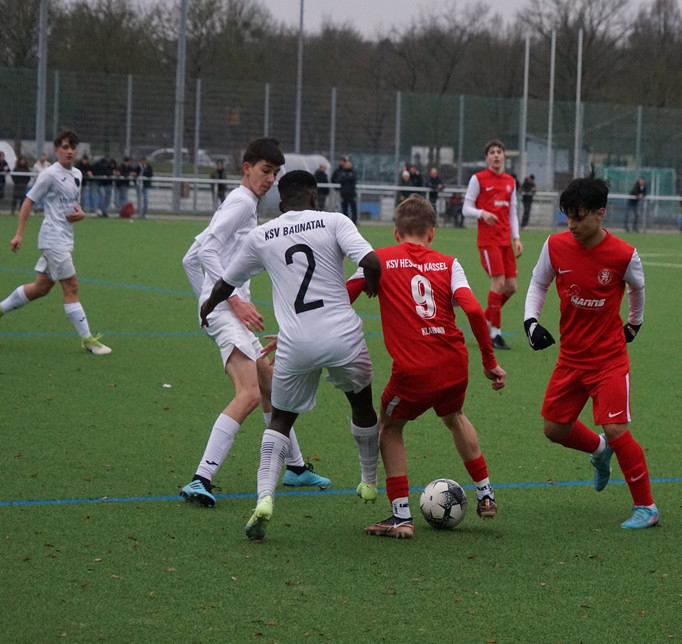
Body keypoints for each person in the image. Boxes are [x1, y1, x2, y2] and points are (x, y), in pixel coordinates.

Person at [199, 170, 382, 540]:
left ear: (281, 203)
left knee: (281, 420)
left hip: (295, 342)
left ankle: (265, 499)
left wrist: (208, 306)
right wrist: (374, 284)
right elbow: (372, 263)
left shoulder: (262, 235)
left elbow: (226, 283)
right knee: (361, 403)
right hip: (342, 336)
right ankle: (368, 481)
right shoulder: (335, 221)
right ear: (314, 197)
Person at [179, 138, 333, 508]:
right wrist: (227, 300)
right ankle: (200, 478)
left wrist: (206, 302)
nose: (270, 179)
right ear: (247, 168)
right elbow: (205, 251)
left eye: (275, 173)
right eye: (265, 171)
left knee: (271, 386)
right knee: (249, 393)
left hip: (224, 310)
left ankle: (295, 467)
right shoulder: (242, 202)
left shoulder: (240, 202)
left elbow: (190, 257)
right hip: (228, 312)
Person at [347, 196, 507, 539]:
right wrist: (489, 362)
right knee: (454, 416)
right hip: (454, 364)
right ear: (431, 233)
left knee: (389, 426)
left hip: (414, 370)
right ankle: (486, 494)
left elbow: (344, 295)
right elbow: (474, 311)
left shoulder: (378, 260)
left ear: (396, 232)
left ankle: (401, 516)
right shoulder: (450, 264)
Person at [522, 169, 658, 530]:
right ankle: (599, 450)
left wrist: (634, 323)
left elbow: (637, 288)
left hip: (609, 359)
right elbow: (538, 283)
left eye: (579, 217)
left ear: (600, 214)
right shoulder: (555, 246)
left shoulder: (624, 254)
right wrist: (531, 322)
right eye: (567, 216)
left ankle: (646, 507)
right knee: (554, 428)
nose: (571, 224)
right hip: (570, 358)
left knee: (616, 429)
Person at [0, 130, 111, 355]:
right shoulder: (49, 174)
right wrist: (19, 234)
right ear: (56, 149)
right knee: (71, 286)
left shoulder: (77, 174)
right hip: (53, 239)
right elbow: (28, 201)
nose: (69, 151)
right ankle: (88, 339)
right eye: (65, 147)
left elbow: (75, 207)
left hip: (65, 239)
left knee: (40, 288)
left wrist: (81, 214)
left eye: (73, 147)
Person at [462, 139, 522, 351]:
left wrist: (516, 238)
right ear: (487, 157)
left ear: (504, 156)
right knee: (498, 283)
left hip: (505, 241)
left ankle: (486, 318)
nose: (496, 155)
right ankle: (495, 334)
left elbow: (512, 212)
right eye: (492, 152)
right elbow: (466, 208)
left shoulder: (510, 181)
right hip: (488, 241)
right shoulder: (478, 179)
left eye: (499, 151)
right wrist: (482, 213)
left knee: (511, 287)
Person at [331, 157, 358, 223]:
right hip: (344, 193)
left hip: (351, 193)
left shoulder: (353, 172)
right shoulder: (341, 172)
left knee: (353, 207)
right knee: (344, 208)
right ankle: (346, 221)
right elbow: (338, 179)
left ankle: (354, 221)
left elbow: (353, 179)